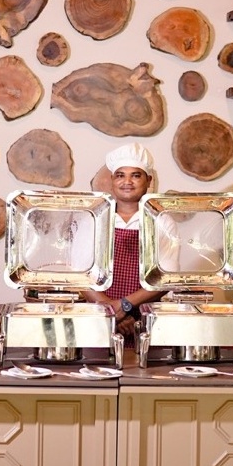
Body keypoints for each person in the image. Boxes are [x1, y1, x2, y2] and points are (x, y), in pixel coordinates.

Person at [81, 142, 168, 339]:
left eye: (136, 175)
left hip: (144, 319)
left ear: (148, 180)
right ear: (112, 180)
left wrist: (124, 306)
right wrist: (111, 312)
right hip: (98, 317)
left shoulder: (162, 220)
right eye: (120, 175)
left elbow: (166, 277)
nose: (127, 181)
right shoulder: (93, 218)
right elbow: (80, 275)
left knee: (143, 366)